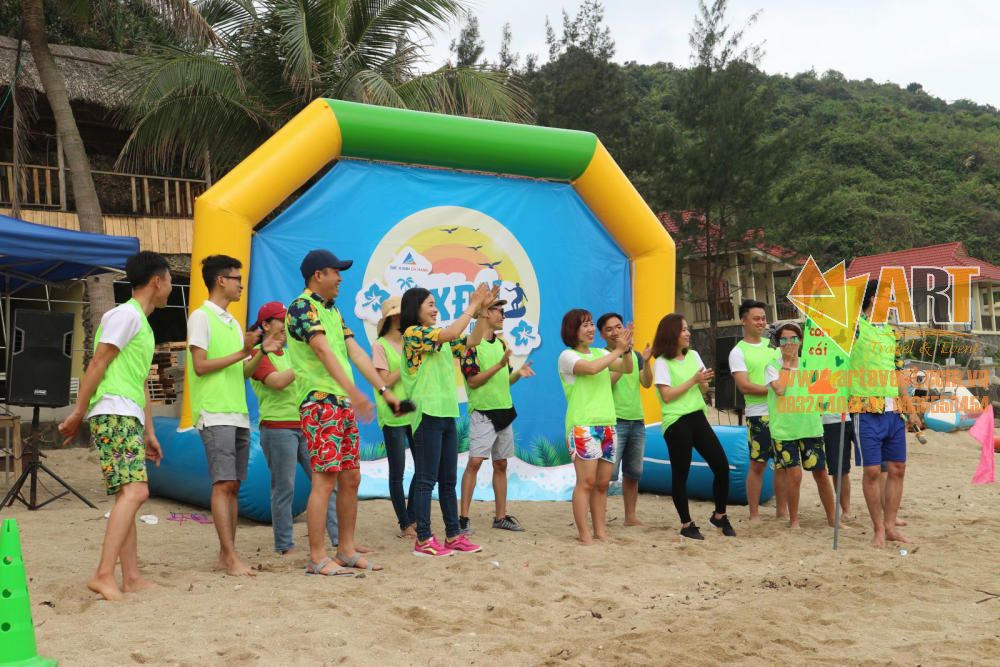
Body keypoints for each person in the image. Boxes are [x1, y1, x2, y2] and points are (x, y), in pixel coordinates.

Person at [58, 251, 171, 600]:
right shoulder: (125, 315)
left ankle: (131, 576)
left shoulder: (141, 323)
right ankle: (104, 574)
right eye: (170, 280)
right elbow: (97, 363)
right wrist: (78, 412)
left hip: (127, 412)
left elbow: (139, 382)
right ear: (157, 281)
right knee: (136, 492)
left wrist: (149, 432)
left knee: (128, 494)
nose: (171, 287)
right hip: (113, 410)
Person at [286, 249, 401, 574]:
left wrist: (384, 391)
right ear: (318, 275)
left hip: (341, 403)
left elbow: (357, 353)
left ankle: (346, 550)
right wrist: (354, 391)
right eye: (335, 272)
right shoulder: (301, 307)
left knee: (351, 477)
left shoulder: (332, 311)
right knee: (325, 479)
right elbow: (322, 351)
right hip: (319, 402)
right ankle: (317, 556)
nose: (340, 278)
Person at [187, 254, 278, 576]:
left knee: (234, 485)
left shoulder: (232, 322)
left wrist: (260, 351)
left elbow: (241, 371)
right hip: (214, 411)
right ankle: (229, 555)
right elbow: (200, 366)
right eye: (237, 279)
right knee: (223, 483)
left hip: (237, 412)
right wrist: (242, 351)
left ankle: (228, 555)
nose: (242, 285)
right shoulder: (201, 317)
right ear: (221, 280)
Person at [401, 283, 496, 557]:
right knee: (426, 480)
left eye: (435, 304)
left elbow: (471, 341)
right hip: (426, 415)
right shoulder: (413, 334)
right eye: (430, 304)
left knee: (447, 480)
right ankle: (423, 539)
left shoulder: (440, 339)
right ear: (415, 308)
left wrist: (482, 313)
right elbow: (453, 332)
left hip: (446, 414)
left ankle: (453, 535)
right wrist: (472, 306)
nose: (436, 309)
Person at [249, 301, 339, 554]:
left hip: (307, 424)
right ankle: (285, 544)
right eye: (281, 320)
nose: (286, 325)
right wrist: (305, 364)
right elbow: (277, 382)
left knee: (328, 482)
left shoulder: (291, 353)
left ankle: (339, 539)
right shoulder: (258, 354)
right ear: (266, 325)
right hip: (277, 427)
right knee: (284, 488)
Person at [651, 314, 735, 539]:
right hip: (676, 421)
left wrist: (704, 381)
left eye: (687, 329)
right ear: (671, 334)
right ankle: (687, 524)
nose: (688, 333)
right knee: (681, 474)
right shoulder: (661, 362)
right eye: (683, 330)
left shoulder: (694, 355)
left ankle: (719, 515)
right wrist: (694, 381)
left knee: (721, 466)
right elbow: (667, 396)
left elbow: (703, 389)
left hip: (697, 416)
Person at [850, 281, 919, 548]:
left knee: (897, 469)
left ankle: (890, 527)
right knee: (871, 471)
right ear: (872, 299)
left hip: (894, 412)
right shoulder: (855, 327)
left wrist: (910, 409)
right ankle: (878, 528)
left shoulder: (892, 333)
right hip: (865, 408)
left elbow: (898, 372)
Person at [459, 298, 535, 534]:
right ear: (485, 314)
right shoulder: (470, 345)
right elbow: (473, 381)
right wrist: (499, 366)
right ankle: (463, 519)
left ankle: (500, 517)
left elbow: (504, 381)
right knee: (474, 463)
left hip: (504, 410)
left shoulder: (501, 343)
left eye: (503, 311)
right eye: (499, 311)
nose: (503, 315)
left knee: (501, 464)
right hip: (482, 412)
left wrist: (518, 374)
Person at [558, 309, 632, 544]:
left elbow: (627, 368)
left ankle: (600, 531)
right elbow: (591, 369)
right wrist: (618, 350)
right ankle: (584, 533)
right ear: (573, 330)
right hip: (583, 426)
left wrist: (627, 350)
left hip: (607, 424)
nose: (591, 329)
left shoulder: (601, 353)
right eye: (585, 325)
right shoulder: (567, 356)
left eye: (591, 324)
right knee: (586, 482)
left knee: (602, 484)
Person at [765, 322, 837, 528]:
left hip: (810, 427)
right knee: (794, 475)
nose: (789, 343)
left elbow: (823, 393)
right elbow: (780, 389)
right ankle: (794, 520)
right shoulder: (772, 365)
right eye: (784, 339)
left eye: (793, 338)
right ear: (778, 343)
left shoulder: (810, 364)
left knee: (821, 473)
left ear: (801, 340)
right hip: (784, 430)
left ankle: (833, 518)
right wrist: (787, 363)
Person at [729, 299, 786, 521]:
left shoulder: (773, 347)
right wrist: (774, 390)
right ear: (743, 321)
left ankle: (782, 511)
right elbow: (744, 385)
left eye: (763, 318)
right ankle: (754, 513)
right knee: (758, 464)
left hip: (781, 413)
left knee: (783, 464)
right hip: (758, 414)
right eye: (756, 319)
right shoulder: (738, 351)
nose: (761, 322)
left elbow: (786, 375)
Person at [597, 312, 652, 527]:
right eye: (609, 329)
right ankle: (600, 516)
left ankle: (630, 516)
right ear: (602, 334)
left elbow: (646, 383)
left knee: (633, 473)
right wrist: (622, 353)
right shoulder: (602, 355)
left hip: (637, 420)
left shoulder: (635, 355)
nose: (615, 332)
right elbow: (608, 382)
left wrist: (645, 361)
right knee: (606, 474)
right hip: (613, 420)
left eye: (618, 327)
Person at [371, 296, 416, 538]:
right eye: (401, 313)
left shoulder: (411, 341)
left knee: (424, 467)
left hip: (415, 411)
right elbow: (385, 381)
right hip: (393, 414)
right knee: (397, 471)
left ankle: (413, 517)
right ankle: (404, 523)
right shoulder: (380, 346)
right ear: (393, 317)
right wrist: (407, 361)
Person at [822, 413, 855, 523]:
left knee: (878, 465)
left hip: (863, 415)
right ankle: (846, 510)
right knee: (838, 468)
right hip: (832, 419)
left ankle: (888, 513)